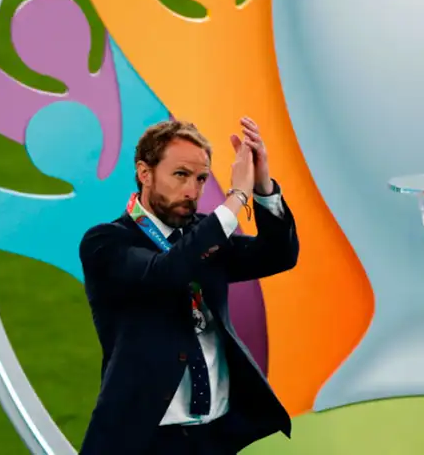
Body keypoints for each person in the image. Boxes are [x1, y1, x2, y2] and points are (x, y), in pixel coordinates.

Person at [78, 117, 299, 455]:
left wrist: (262, 187)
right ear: (144, 172)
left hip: (216, 436)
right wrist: (236, 197)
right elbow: (167, 271)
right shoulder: (106, 243)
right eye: (180, 174)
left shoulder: (202, 235)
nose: (192, 190)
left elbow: (277, 256)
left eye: (200, 179)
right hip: (146, 440)